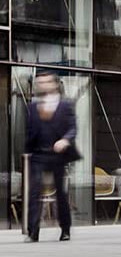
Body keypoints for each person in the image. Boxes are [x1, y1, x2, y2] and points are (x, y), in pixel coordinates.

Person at [22, 71, 78, 242]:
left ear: (54, 84)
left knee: (60, 193)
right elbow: (30, 131)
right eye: (40, 82)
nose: (43, 85)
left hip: (57, 155)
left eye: (46, 81)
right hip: (38, 154)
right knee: (34, 192)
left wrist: (65, 140)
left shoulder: (65, 106)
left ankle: (65, 229)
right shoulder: (32, 107)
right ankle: (33, 232)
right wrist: (27, 151)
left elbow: (73, 128)